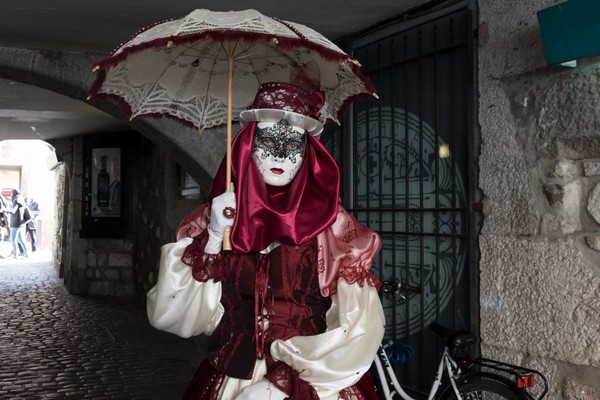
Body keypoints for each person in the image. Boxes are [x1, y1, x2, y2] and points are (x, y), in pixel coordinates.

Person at [147, 82, 385, 400]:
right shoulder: (215, 217)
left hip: (310, 382)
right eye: (267, 140)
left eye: (292, 144)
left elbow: (361, 329)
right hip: (230, 378)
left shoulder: (336, 231)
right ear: (247, 144)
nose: (279, 154)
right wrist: (214, 237)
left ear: (309, 155)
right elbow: (174, 315)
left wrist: (281, 383)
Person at [0, 189, 31, 259]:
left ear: (13, 193)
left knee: (13, 239)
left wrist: (4, 209)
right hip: (22, 223)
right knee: (21, 240)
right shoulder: (21, 199)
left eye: (11, 193)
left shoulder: (16, 200)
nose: (11, 194)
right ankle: (26, 253)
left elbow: (13, 210)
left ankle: (15, 255)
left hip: (16, 223)